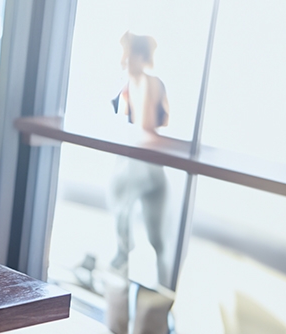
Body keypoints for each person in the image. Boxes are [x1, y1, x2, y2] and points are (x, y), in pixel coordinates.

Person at [105, 31, 174, 334]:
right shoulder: (131, 85)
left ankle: (136, 324)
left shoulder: (145, 82)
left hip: (141, 168)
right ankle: (142, 324)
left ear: (138, 56)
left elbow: (146, 125)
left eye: (126, 54)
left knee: (139, 246)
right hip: (145, 167)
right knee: (152, 246)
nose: (122, 60)